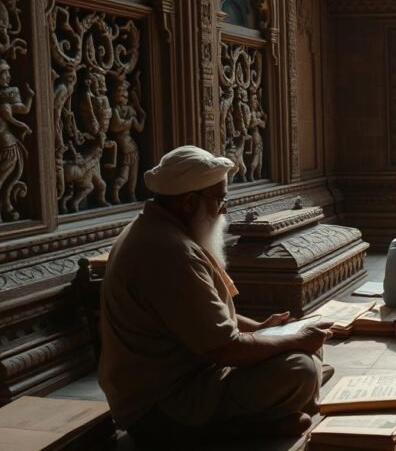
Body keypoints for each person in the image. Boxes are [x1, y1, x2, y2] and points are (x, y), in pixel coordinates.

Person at [99, 146, 333, 446]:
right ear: (188, 202)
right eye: (219, 200)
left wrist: (261, 329)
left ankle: (276, 408)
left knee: (303, 346)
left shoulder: (160, 229)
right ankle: (244, 425)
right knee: (301, 368)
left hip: (192, 378)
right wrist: (295, 340)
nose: (223, 210)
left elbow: (207, 319)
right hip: (162, 406)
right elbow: (225, 349)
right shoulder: (169, 252)